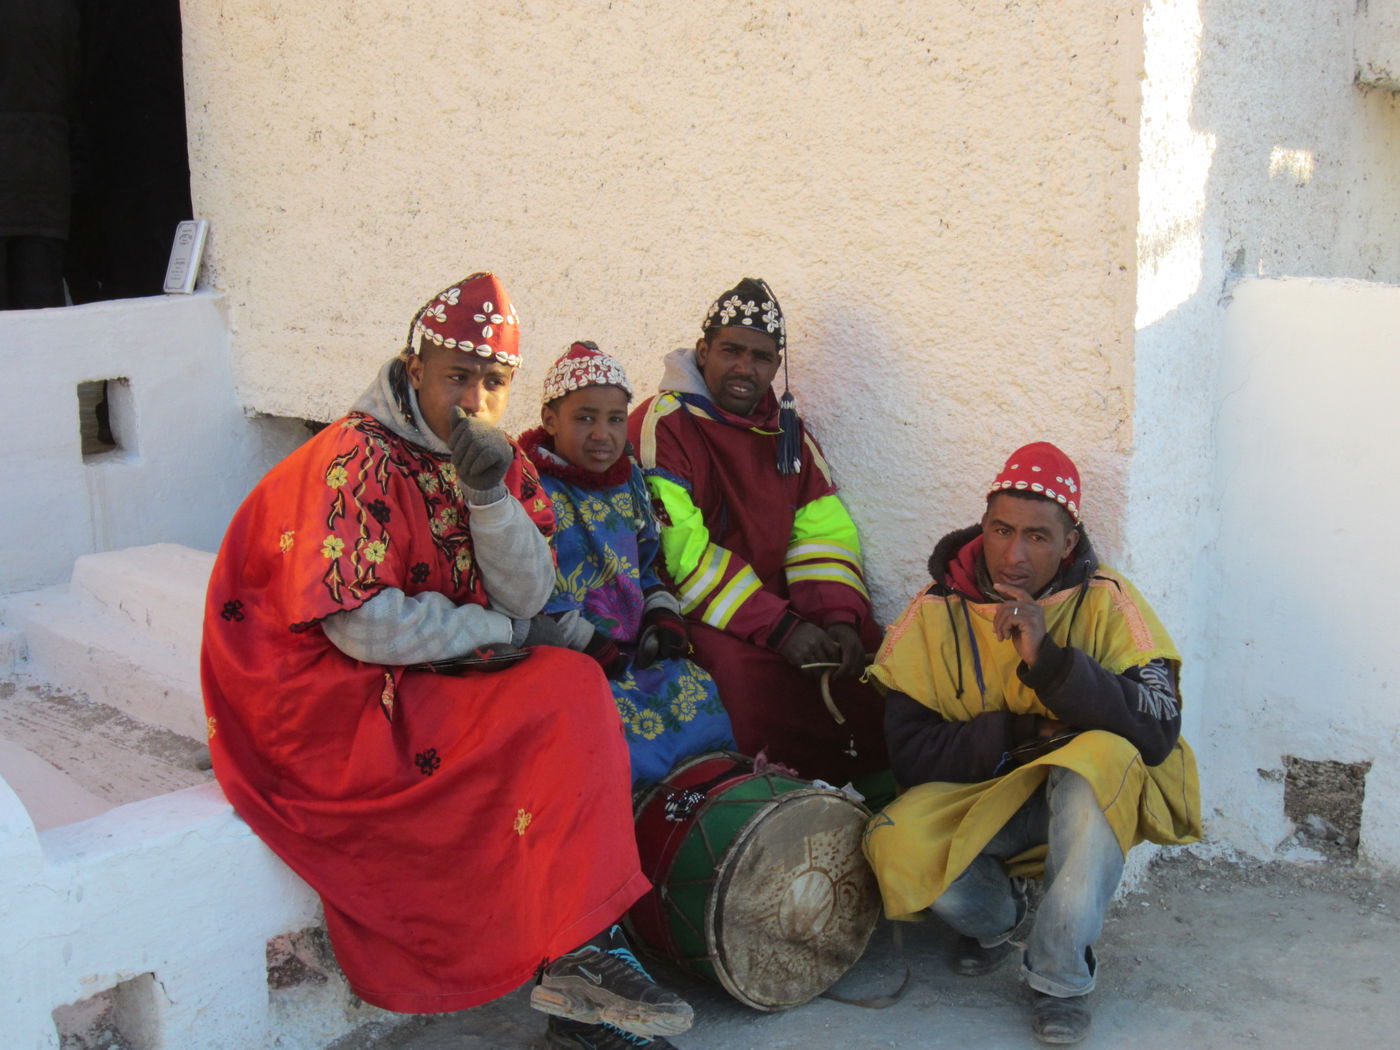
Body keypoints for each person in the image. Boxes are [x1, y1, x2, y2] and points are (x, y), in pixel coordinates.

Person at [201, 273, 692, 1050]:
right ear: (415, 366)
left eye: (492, 383)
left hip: (429, 666)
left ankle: (583, 956)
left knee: (570, 690)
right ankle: (581, 959)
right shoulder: (356, 457)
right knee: (554, 698)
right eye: (456, 376)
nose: (471, 399)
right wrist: (497, 628)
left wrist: (487, 496)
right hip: (324, 690)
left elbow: (530, 593)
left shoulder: (492, 461)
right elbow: (362, 628)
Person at [862, 442, 1201, 1045]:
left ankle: (1059, 977)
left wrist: (1047, 662)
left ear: (1069, 543)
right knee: (892, 838)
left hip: (1081, 802)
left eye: (1038, 537)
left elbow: (1158, 727)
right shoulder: (934, 611)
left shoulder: (1108, 599)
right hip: (984, 798)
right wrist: (1019, 732)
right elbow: (909, 755)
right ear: (983, 527)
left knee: (1101, 757)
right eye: (1001, 530)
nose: (1013, 555)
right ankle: (1001, 918)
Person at [628, 277, 888, 789]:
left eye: (761, 357)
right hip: (696, 607)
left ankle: (862, 792)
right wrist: (781, 629)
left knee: (865, 658)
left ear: (777, 365)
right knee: (743, 682)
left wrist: (835, 616)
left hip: (772, 606)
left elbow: (821, 532)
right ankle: (764, 802)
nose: (745, 369)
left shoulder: (786, 429)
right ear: (703, 351)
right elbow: (680, 555)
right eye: (731, 351)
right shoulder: (666, 424)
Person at [519, 341, 734, 791]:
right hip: (570, 652)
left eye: (616, 419)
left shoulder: (629, 480)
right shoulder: (532, 488)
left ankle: (700, 805)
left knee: (698, 694)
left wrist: (662, 615)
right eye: (585, 418)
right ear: (550, 420)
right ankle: (631, 828)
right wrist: (587, 644)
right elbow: (529, 587)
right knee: (612, 736)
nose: (603, 434)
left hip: (634, 651)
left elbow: (646, 563)